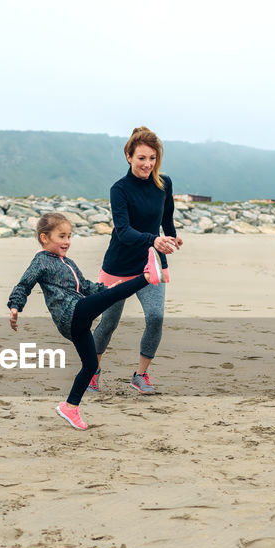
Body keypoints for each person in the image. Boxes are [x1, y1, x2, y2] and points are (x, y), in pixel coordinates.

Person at [8, 213, 165, 430]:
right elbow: (23, 285)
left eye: (69, 236)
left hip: (77, 321)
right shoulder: (40, 261)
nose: (67, 242)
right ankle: (148, 277)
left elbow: (85, 286)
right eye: (61, 236)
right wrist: (15, 306)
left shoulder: (68, 262)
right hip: (70, 313)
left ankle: (70, 407)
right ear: (44, 238)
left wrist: (105, 289)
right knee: (113, 296)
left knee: (90, 365)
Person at [91, 126, 182, 396]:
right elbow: (124, 231)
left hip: (151, 263)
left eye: (152, 158)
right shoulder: (119, 189)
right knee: (109, 321)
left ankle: (140, 375)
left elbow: (166, 219)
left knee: (155, 317)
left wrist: (172, 238)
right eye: (142, 158)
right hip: (119, 266)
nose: (147, 164)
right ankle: (92, 371)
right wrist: (153, 240)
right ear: (129, 156)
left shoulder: (164, 184)